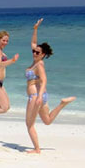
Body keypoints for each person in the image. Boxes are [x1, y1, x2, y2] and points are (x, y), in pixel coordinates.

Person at [24, 18, 76, 154]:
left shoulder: (39, 64)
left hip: (36, 97)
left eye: (37, 52)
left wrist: (39, 97)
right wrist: (35, 29)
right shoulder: (35, 61)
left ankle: (37, 149)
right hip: (40, 96)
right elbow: (34, 43)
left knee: (29, 125)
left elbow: (45, 80)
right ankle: (61, 104)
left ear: (43, 55)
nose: (34, 53)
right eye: (34, 52)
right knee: (47, 121)